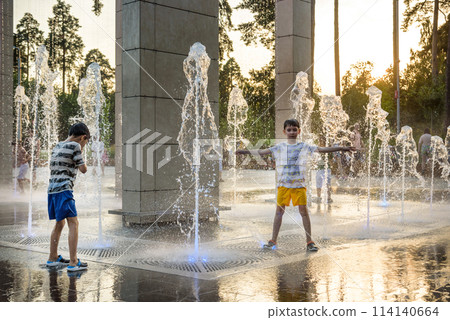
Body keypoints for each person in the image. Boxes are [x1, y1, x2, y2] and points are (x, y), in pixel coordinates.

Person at [236, 119, 355, 252]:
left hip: (299, 186)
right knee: (279, 212)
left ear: (299, 131)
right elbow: (261, 152)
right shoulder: (280, 147)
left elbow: (322, 150)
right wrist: (244, 152)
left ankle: (309, 241)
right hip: (283, 186)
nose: (292, 132)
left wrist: (342, 148)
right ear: (284, 131)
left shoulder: (304, 146)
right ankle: (273, 240)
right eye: (289, 130)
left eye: (294, 130)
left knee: (304, 212)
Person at [46, 122, 90, 272]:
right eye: (86, 142)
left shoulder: (58, 145)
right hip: (64, 190)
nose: (84, 145)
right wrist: (81, 153)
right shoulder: (75, 146)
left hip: (52, 191)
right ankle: (73, 262)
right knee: (73, 223)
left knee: (60, 223)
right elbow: (83, 169)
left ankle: (52, 258)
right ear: (83, 137)